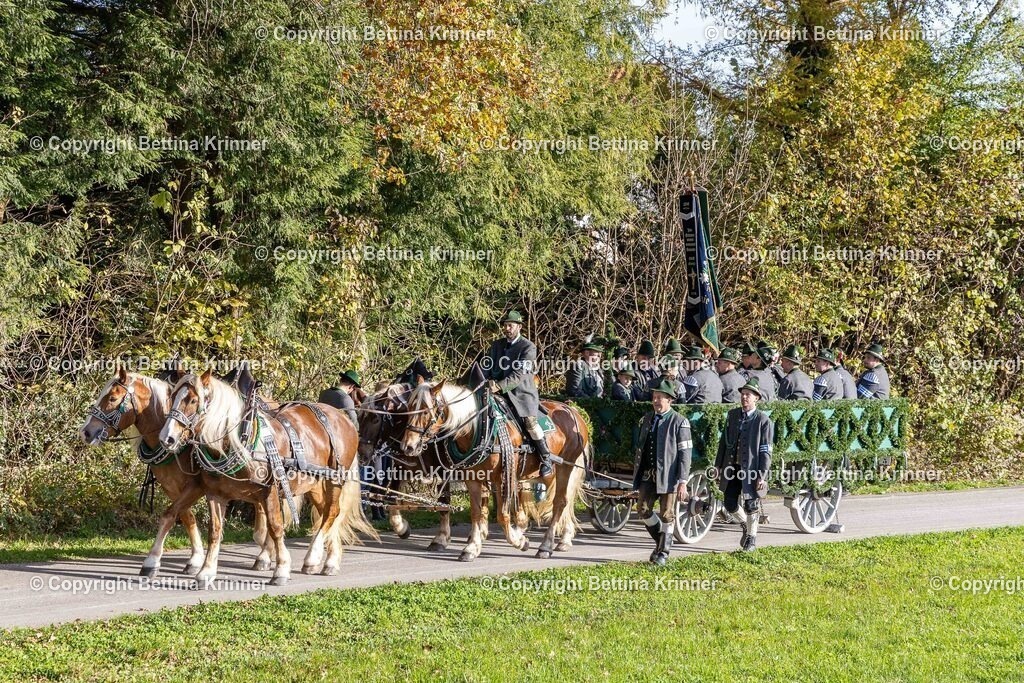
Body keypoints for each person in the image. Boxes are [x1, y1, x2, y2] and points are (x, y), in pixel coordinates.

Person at [484, 310, 554, 476]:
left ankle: (546, 458)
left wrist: (500, 386)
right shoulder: (496, 345)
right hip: (496, 393)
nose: (507, 328)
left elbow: (520, 375)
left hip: (522, 395)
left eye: (510, 325)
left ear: (519, 327)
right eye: (505, 325)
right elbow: (486, 367)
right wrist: (483, 381)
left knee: (530, 423)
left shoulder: (528, 347)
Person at [633, 379, 692, 566]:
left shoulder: (680, 422)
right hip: (648, 474)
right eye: (654, 397)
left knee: (667, 514)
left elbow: (685, 454)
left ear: (670, 400)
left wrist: (682, 481)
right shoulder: (647, 418)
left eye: (660, 398)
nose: (656, 401)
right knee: (642, 509)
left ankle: (663, 552)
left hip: (669, 476)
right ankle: (661, 540)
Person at [714, 377, 773, 551]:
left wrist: (762, 475)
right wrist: (718, 465)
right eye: (743, 394)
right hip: (732, 467)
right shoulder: (732, 416)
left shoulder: (763, 421)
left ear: (756, 398)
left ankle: (752, 538)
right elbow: (723, 442)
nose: (744, 397)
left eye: (748, 395)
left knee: (751, 504)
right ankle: (745, 525)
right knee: (729, 503)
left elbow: (765, 450)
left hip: (752, 470)